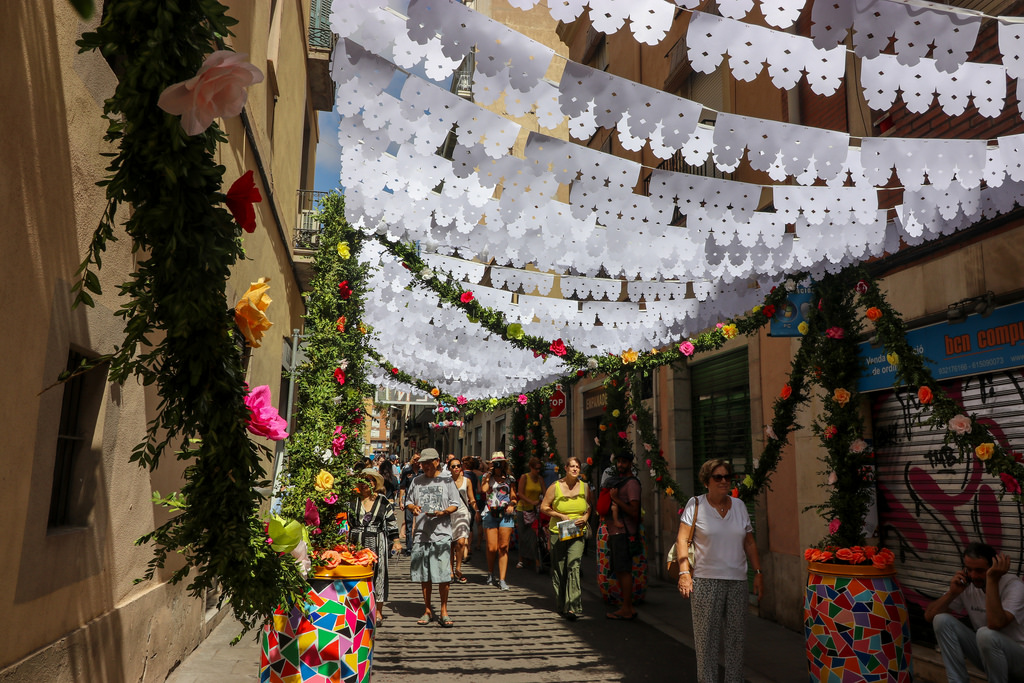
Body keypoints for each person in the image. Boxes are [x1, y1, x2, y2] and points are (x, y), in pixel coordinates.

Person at [676, 458, 763, 683]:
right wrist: (684, 573)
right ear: (707, 481)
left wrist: (758, 573)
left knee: (736, 641)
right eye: (718, 477)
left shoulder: (740, 506)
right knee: (707, 642)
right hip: (706, 581)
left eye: (727, 476)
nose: (724, 481)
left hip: (737, 581)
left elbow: (750, 542)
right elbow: (682, 539)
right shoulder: (695, 505)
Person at [925, 542, 1024, 683]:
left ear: (993, 568)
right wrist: (952, 594)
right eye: (969, 570)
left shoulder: (1014, 587)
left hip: (1019, 661)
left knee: (985, 634)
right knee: (941, 620)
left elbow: (995, 623)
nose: (973, 575)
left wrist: (992, 580)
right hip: (989, 657)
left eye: (980, 570)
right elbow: (929, 615)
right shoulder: (968, 584)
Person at [404, 448, 462, 627]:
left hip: (442, 533)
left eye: (429, 462)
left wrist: (443, 512)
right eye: (423, 463)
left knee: (443, 575)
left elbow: (455, 503)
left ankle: (444, 610)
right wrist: (413, 508)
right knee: (425, 574)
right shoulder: (416, 481)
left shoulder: (446, 480)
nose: (426, 466)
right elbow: (408, 501)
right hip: (422, 533)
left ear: (437, 461)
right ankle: (427, 609)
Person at [347, 468, 401, 626]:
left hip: (377, 541)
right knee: (356, 575)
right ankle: (358, 609)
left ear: (375, 483)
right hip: (355, 542)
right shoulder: (352, 500)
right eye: (364, 480)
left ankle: (378, 612)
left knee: (379, 574)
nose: (366, 483)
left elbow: (391, 522)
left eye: (370, 480)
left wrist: (396, 541)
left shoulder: (383, 501)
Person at [539, 455, 590, 620]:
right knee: (559, 568)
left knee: (573, 565)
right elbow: (544, 507)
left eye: (578, 467)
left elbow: (589, 507)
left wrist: (586, 518)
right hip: (558, 531)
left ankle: (573, 606)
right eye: (572, 466)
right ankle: (561, 603)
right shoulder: (555, 487)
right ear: (566, 468)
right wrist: (560, 515)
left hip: (577, 531)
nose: (575, 469)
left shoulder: (585, 487)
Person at [601, 451, 642, 620]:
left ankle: (627, 608)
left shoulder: (631, 484)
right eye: (619, 462)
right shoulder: (620, 482)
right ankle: (627, 607)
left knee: (624, 570)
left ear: (630, 464)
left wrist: (616, 500)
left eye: (624, 462)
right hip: (616, 532)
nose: (620, 465)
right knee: (619, 569)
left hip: (624, 533)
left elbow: (634, 511)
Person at [480, 452, 518, 590]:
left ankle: (502, 579)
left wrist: (512, 504)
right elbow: (483, 490)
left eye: (500, 462)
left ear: (504, 463)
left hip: (505, 513)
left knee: (503, 547)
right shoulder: (486, 477)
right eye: (496, 462)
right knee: (492, 547)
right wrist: (489, 474)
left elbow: (513, 496)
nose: (498, 465)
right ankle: (490, 572)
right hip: (490, 512)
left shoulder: (510, 479)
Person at [515, 456, 545, 573]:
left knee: (534, 536)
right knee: (523, 535)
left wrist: (543, 502)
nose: (538, 471)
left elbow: (545, 492)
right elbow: (520, 493)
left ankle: (535, 559)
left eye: (539, 469)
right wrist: (531, 501)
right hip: (523, 509)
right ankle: (521, 559)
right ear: (531, 467)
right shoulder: (525, 477)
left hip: (534, 511)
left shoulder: (540, 479)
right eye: (536, 469)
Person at [447, 458, 475, 583]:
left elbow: (471, 498)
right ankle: (450, 570)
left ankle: (458, 568)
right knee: (450, 544)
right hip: (449, 514)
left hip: (463, 513)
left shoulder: (467, 481)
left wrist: (477, 511)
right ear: (449, 469)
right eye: (453, 466)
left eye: (458, 466)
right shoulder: (446, 482)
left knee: (461, 542)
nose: (456, 468)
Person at [398, 453, 420, 556]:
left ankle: (419, 546)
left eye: (418, 460)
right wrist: (401, 500)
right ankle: (409, 547)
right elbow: (402, 487)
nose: (417, 462)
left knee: (421, 524)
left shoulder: (423, 472)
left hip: (421, 501)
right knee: (409, 523)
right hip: (409, 501)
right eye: (415, 459)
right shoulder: (407, 472)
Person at [469, 456, 488, 553]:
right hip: (481, 500)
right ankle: (479, 543)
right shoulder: (483, 475)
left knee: (470, 523)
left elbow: (479, 489)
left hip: (473, 500)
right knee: (479, 522)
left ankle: (469, 545)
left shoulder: (469, 475)